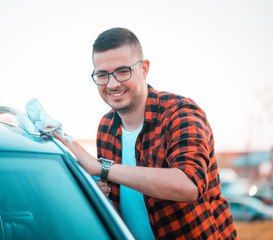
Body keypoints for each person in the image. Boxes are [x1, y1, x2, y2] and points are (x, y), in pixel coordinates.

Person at [53, 27, 237, 239]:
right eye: (102, 75)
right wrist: (97, 192)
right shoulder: (105, 126)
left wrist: (101, 169)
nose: (112, 84)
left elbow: (189, 185)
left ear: (144, 69)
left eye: (123, 71)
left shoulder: (181, 112)